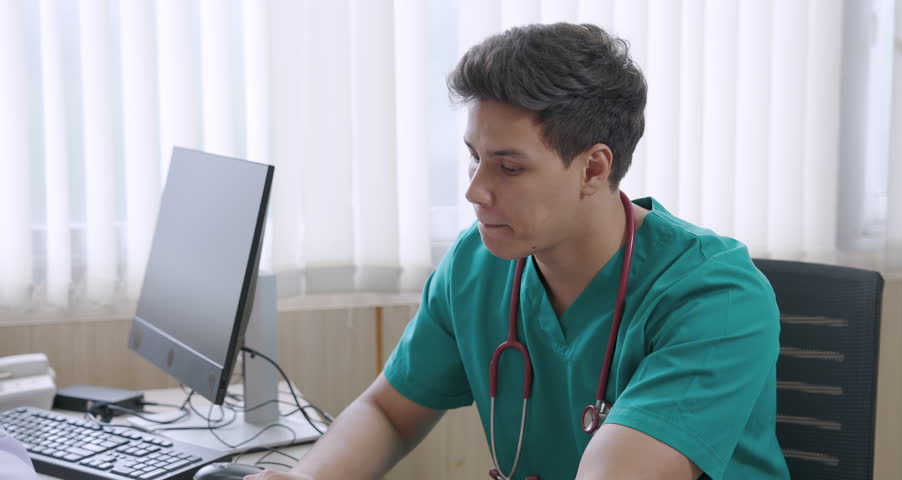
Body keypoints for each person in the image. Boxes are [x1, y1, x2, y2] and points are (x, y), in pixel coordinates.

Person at [248, 23, 788, 480]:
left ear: (593, 168)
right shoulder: (475, 265)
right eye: (473, 157)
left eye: (509, 168)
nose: (475, 191)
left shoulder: (715, 297)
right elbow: (389, 411)